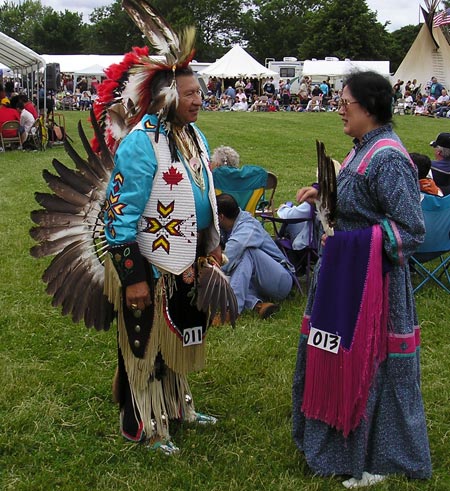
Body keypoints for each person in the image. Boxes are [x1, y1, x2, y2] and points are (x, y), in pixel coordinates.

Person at [292, 70, 431, 487]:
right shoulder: (362, 149)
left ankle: (380, 458)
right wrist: (326, 193)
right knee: (334, 354)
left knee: (372, 367)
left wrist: (355, 241)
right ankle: (335, 445)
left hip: (374, 287)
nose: (338, 109)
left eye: (345, 102)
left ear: (369, 108)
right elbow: (361, 202)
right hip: (345, 277)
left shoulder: (388, 157)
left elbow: (411, 231)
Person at [99, 16, 230, 455]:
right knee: (145, 344)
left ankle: (177, 407)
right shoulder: (142, 143)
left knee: (177, 336)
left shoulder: (194, 136)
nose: (199, 101)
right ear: (167, 97)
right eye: (191, 94)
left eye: (200, 93)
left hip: (183, 260)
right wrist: (133, 275)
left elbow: (204, 193)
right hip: (147, 265)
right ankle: (142, 423)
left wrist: (210, 247)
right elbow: (119, 218)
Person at [217, 193, 294, 319]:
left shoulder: (247, 227)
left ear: (221, 217)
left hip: (281, 280)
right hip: (256, 282)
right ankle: (258, 305)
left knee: (247, 252)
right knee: (223, 281)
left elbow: (226, 261)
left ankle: (231, 310)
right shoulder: (227, 227)